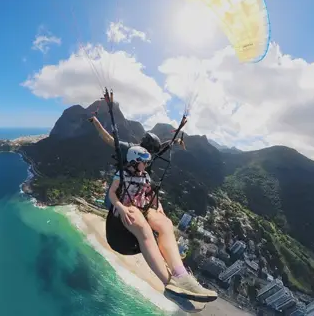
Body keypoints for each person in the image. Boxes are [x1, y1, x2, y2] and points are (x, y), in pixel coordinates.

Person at [107, 146, 218, 312]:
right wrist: (120, 207)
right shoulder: (122, 175)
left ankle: (182, 276)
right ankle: (170, 286)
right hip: (126, 209)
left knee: (166, 224)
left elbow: (150, 194)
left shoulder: (144, 176)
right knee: (144, 229)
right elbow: (112, 193)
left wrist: (159, 206)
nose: (146, 165)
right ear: (134, 161)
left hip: (143, 207)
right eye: (143, 162)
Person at [89, 115, 185, 208]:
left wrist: (175, 141)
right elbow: (110, 140)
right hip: (121, 187)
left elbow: (161, 147)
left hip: (136, 191)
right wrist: (96, 122)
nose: (149, 157)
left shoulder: (147, 154)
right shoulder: (129, 148)